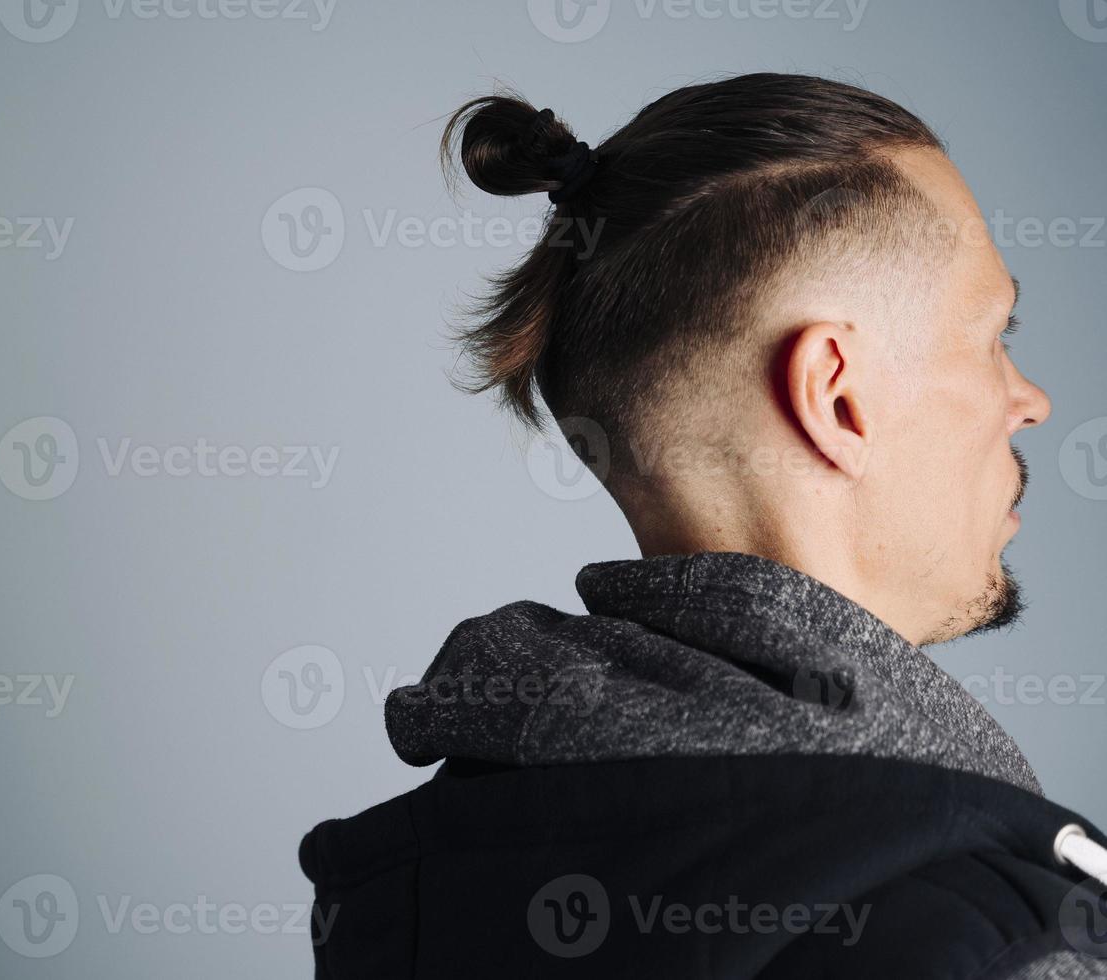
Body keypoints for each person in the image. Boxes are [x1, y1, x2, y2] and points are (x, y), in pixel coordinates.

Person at [298, 73, 1107, 978]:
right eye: (994, 334)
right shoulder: (987, 938)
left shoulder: (418, 889)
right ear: (838, 399)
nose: (1028, 400)